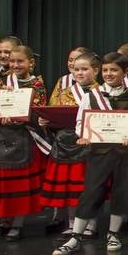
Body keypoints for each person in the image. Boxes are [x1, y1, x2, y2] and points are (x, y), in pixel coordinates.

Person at [51, 52, 128, 255]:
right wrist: (83, 135)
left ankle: (113, 234)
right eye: (105, 70)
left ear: (124, 71)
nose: (109, 74)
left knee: (123, 191)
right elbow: (80, 123)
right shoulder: (91, 96)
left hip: (124, 152)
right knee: (91, 192)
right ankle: (75, 237)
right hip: (98, 152)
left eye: (114, 70)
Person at [0, 44, 47, 244]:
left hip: (22, 139)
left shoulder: (37, 85)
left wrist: (22, 118)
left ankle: (17, 225)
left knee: (18, 185)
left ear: (31, 63)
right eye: (12, 61)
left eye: (20, 61)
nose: (15, 65)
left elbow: (39, 114)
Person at [41, 48, 95, 237]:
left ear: (95, 70)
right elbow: (52, 110)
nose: (79, 73)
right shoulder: (64, 92)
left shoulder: (101, 92)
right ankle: (72, 223)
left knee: (89, 185)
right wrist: (45, 120)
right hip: (66, 142)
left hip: (90, 144)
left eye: (84, 69)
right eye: (76, 70)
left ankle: (91, 225)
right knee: (72, 187)